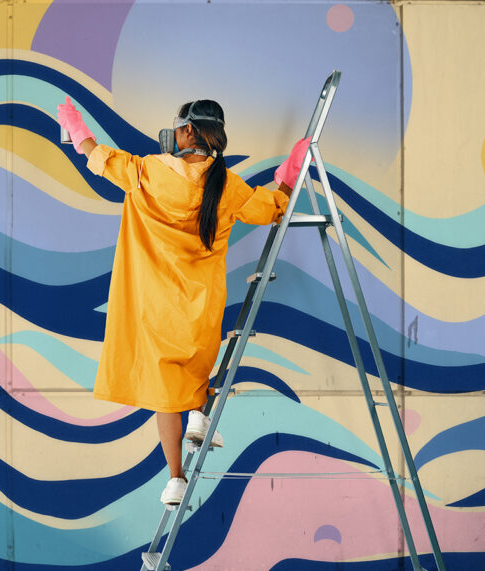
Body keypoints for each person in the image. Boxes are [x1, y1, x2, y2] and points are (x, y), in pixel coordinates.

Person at [57, 96, 309, 505]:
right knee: (194, 377)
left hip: (156, 314)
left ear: (189, 131)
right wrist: (290, 172)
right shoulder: (228, 186)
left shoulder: (148, 171)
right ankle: (199, 416)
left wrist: (75, 125)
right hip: (201, 311)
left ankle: (176, 478)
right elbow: (273, 208)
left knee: (165, 398)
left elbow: (98, 156)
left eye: (177, 126)